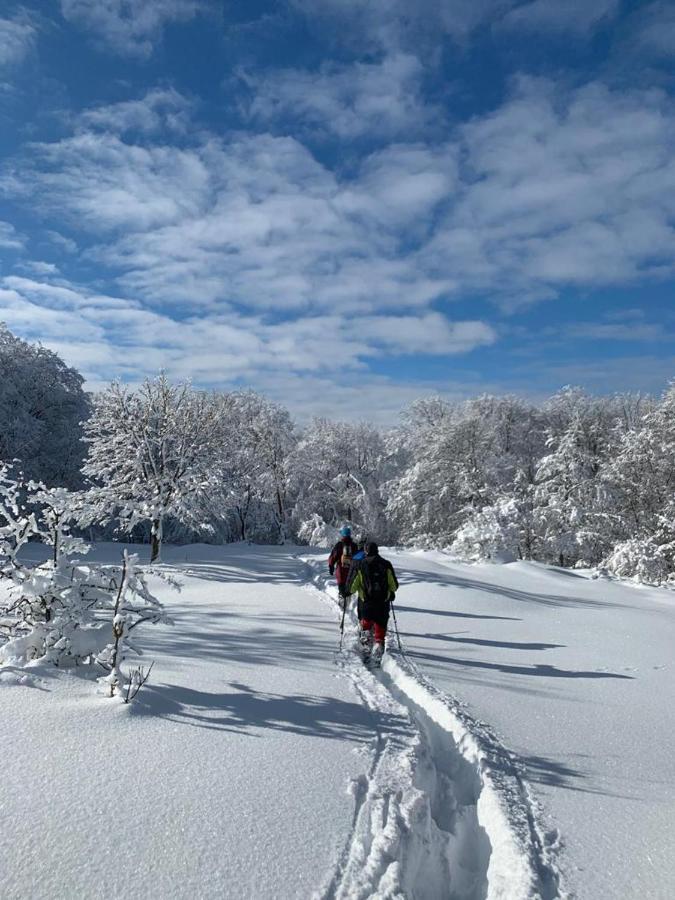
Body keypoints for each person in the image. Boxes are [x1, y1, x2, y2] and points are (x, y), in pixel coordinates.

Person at [346, 541, 399, 661]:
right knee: (380, 627)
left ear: (366, 551)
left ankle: (366, 646)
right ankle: (379, 646)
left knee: (366, 624)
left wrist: (348, 591)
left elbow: (353, 587)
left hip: (366, 603)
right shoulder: (386, 564)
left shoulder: (361, 564)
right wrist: (390, 593)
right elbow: (394, 586)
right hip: (382, 603)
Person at [328, 526, 358, 604]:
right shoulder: (354, 545)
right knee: (350, 584)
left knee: (341, 584)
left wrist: (331, 566)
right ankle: (349, 600)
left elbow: (333, 556)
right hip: (351, 569)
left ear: (342, 535)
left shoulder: (339, 545)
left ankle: (342, 600)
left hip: (341, 569)